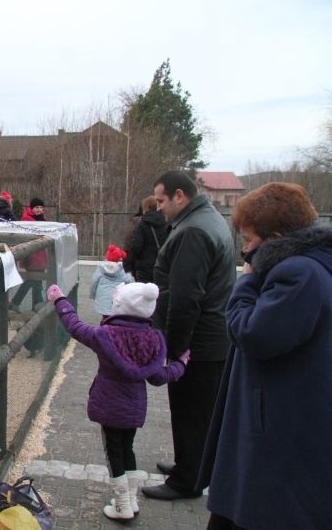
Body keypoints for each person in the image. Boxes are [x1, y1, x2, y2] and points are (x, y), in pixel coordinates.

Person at [197, 182, 332, 529]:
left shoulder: (297, 273)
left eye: (248, 241)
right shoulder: (314, 267)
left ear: (273, 239)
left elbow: (254, 334)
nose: (245, 252)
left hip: (275, 433)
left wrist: (245, 284)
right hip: (287, 422)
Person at [47, 282, 190, 521]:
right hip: (134, 409)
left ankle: (122, 505)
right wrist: (180, 365)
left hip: (109, 405)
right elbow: (158, 377)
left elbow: (75, 326)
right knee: (127, 448)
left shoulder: (104, 335)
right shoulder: (154, 339)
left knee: (114, 453)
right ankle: (131, 500)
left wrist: (60, 300)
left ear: (119, 307)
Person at [141, 171, 235, 501]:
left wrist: (175, 349)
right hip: (210, 337)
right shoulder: (209, 220)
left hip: (198, 342)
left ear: (180, 196)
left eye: (162, 200)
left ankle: (188, 480)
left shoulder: (194, 231)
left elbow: (185, 297)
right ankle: (191, 465)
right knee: (197, 411)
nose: (159, 207)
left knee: (191, 411)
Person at [9, 198, 47, 314]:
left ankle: (33, 305)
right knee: (33, 280)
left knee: (35, 281)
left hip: (40, 255)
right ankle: (28, 304)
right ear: (32, 208)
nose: (39, 210)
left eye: (41, 207)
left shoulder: (42, 219)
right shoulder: (27, 220)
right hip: (31, 256)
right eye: (37, 207)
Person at [125, 196, 168, 282]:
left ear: (147, 207)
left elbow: (136, 246)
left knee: (144, 292)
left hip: (145, 266)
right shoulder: (167, 221)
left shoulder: (143, 223)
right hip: (163, 264)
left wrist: (131, 262)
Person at [90, 244, 134, 323]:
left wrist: (93, 295)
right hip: (117, 298)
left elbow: (94, 282)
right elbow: (129, 281)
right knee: (116, 317)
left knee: (105, 317)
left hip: (103, 298)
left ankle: (103, 330)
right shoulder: (122, 270)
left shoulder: (100, 269)